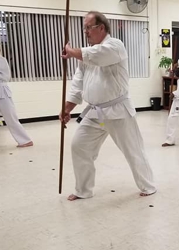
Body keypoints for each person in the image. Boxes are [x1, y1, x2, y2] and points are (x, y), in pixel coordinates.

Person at [60, 11, 156, 201]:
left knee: (132, 150)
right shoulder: (87, 54)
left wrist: (72, 52)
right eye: (84, 28)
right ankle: (83, 190)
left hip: (118, 111)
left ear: (101, 28)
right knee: (79, 146)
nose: (85, 31)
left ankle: (148, 185)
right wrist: (68, 107)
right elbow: (78, 82)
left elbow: (99, 56)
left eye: (89, 27)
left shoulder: (114, 46)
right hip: (94, 112)